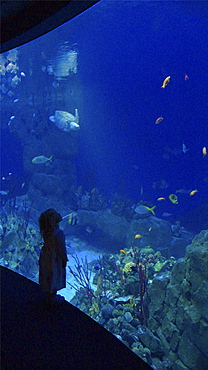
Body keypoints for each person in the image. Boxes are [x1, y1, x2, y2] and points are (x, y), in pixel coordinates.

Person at [38, 208, 68, 305]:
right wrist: (64, 259)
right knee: (54, 275)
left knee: (47, 275)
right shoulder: (59, 233)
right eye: (55, 213)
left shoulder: (46, 231)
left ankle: (48, 295)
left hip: (46, 257)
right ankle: (52, 298)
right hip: (54, 259)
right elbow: (61, 249)